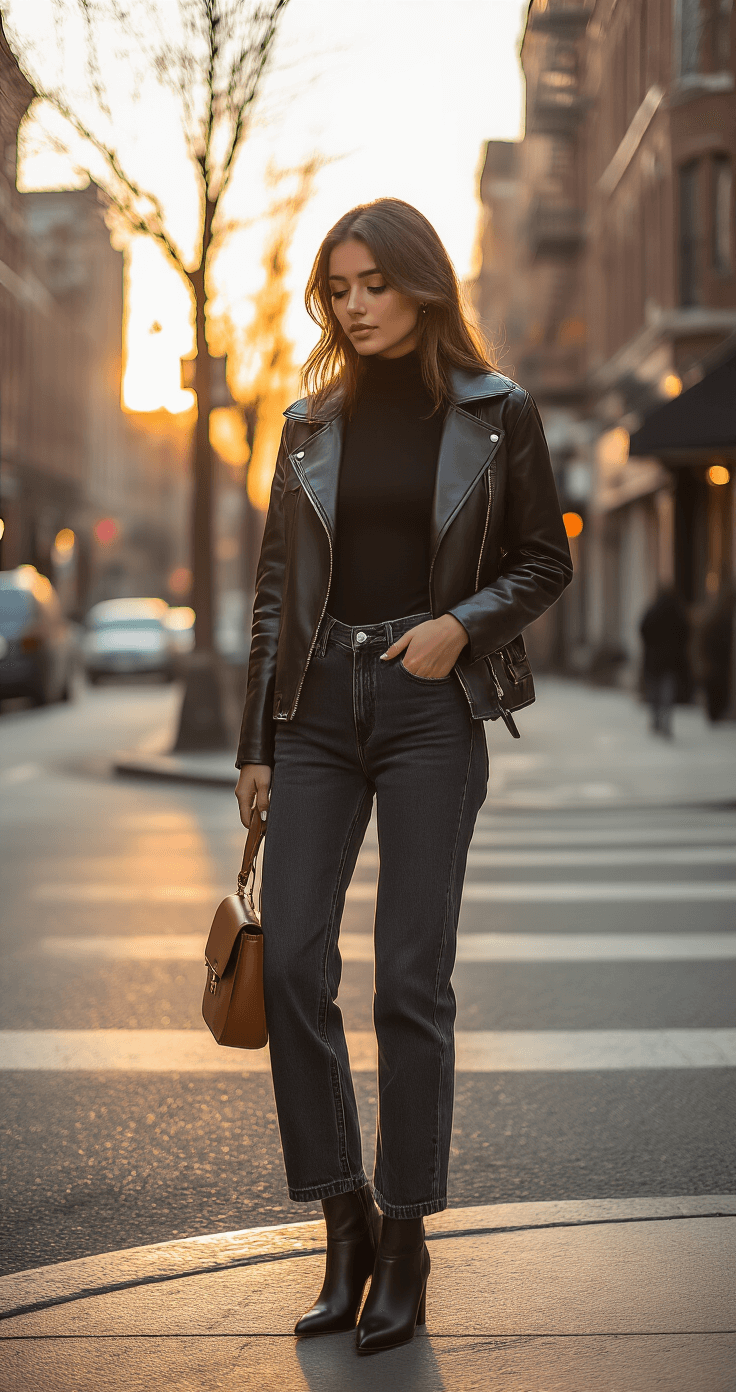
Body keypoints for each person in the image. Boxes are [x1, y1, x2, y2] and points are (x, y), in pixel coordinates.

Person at [234, 198, 572, 1355]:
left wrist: (460, 626)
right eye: (338, 287)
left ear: (422, 284)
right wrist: (255, 744)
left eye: (373, 282)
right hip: (318, 706)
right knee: (289, 963)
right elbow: (276, 592)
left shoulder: (497, 414)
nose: (354, 305)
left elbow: (543, 558)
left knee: (409, 984)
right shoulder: (304, 423)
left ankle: (409, 1235)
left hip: (432, 706)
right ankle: (344, 1226)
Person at [639, 588, 689, 737]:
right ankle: (666, 721)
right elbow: (686, 632)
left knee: (655, 691)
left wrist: (651, 646)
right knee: (667, 691)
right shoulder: (677, 612)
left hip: (654, 660)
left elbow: (643, 629)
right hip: (671, 660)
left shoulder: (652, 610)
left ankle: (656, 720)